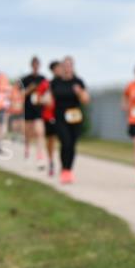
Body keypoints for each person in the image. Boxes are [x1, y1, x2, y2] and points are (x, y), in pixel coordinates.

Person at [50, 56, 89, 184]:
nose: (67, 68)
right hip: (60, 116)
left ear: (72, 67)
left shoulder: (78, 82)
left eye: (69, 65)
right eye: (64, 65)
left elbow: (86, 100)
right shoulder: (55, 82)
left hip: (75, 117)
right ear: (61, 67)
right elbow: (49, 98)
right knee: (65, 142)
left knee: (72, 144)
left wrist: (79, 92)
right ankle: (64, 169)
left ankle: (69, 169)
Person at [34, 61, 60, 177]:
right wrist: (43, 100)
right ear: (53, 70)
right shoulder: (46, 84)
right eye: (57, 68)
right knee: (45, 137)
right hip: (46, 115)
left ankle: (53, 161)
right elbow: (36, 99)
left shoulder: (64, 84)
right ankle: (45, 159)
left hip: (58, 116)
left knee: (53, 140)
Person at [20, 56, 47, 168]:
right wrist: (30, 89)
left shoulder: (43, 79)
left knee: (40, 132)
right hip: (28, 109)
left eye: (37, 64)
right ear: (31, 65)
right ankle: (27, 148)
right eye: (34, 64)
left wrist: (44, 99)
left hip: (39, 109)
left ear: (39, 65)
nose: (36, 66)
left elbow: (47, 93)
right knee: (28, 133)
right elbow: (20, 95)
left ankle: (40, 155)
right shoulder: (25, 79)